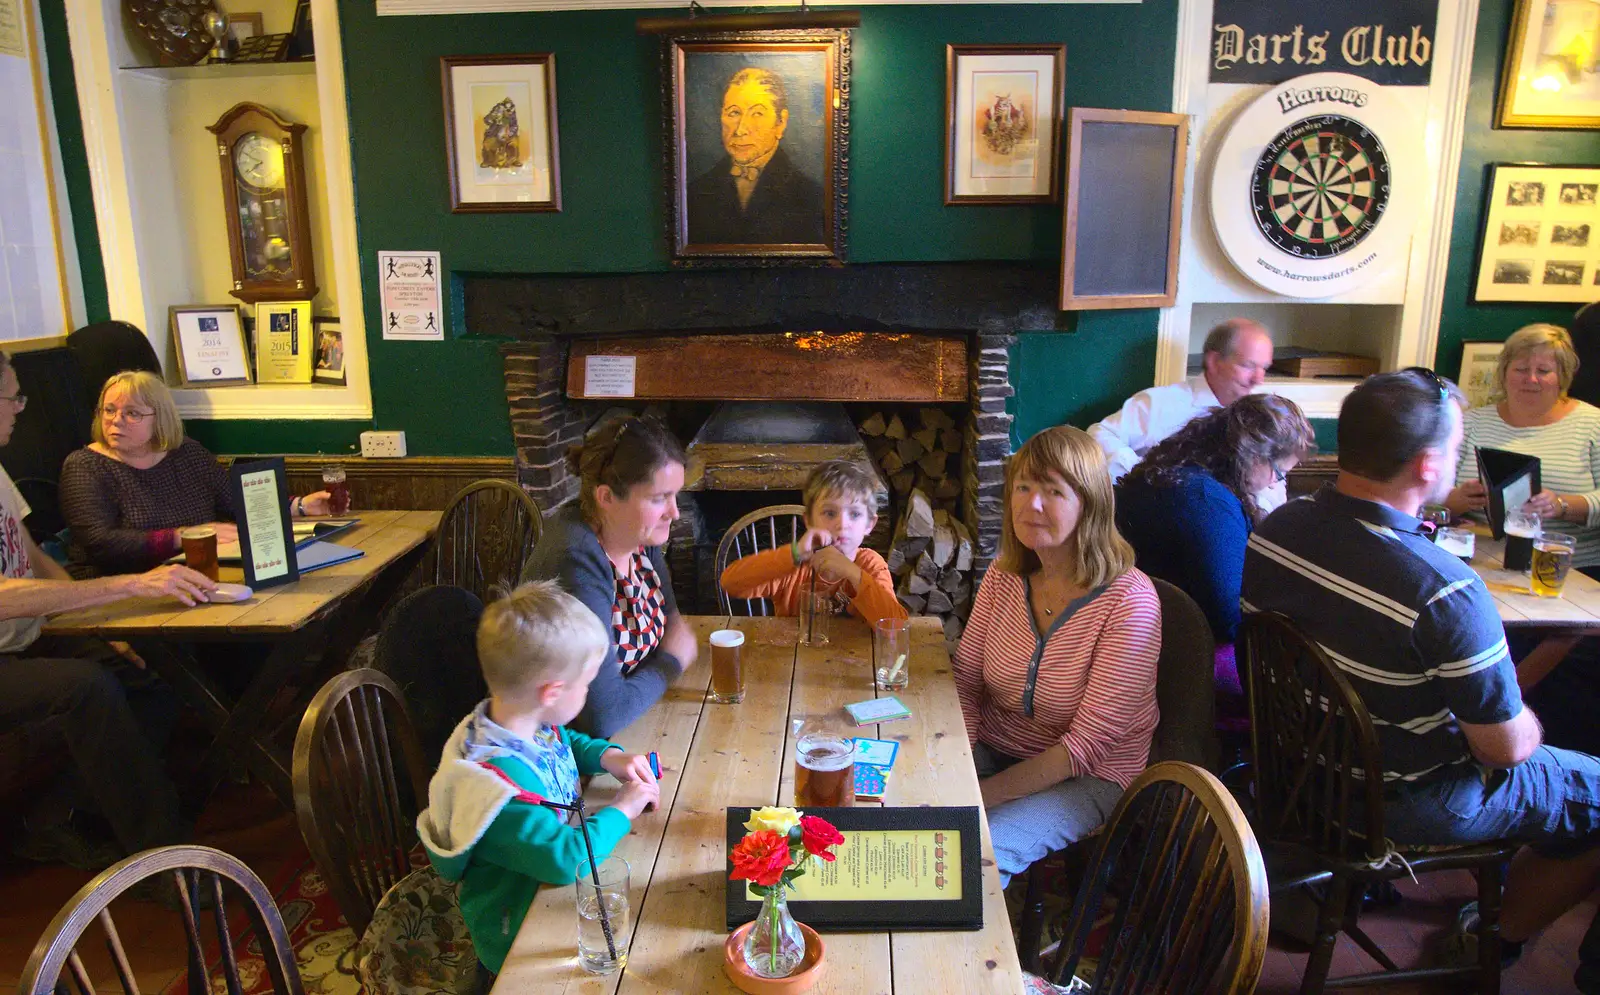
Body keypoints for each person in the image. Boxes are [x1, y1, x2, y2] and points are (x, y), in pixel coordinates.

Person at [1241, 369, 1600, 991]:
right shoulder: (1444, 590)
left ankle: (1497, 903)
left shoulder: (1278, 528)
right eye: (1457, 450)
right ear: (1429, 465)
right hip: (1401, 804)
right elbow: (1508, 749)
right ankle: (1496, 935)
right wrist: (1532, 697)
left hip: (1298, 776)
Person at [0, 350, 217, 872]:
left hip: (28, 632)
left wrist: (103, 624)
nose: (19, 410)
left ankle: (69, 817)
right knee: (85, 687)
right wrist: (127, 586)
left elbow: (29, 558)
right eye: (12, 397)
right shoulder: (86, 466)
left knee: (151, 665)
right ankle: (161, 860)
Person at [418, 581, 660, 984]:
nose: (588, 693)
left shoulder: (516, 717)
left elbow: (563, 741)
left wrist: (607, 756)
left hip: (546, 899)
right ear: (552, 692)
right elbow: (566, 859)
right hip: (514, 941)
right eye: (586, 685)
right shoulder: (496, 791)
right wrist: (623, 809)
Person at [954, 425, 1161, 886]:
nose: (1032, 504)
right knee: (901, 804)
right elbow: (967, 677)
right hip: (995, 746)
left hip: (1089, 776)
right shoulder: (1005, 576)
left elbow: (1084, 748)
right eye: (1023, 487)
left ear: (1090, 504)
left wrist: (976, 794)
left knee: (975, 859)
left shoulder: (1130, 603)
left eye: (1053, 490)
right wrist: (959, 760)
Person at [1116, 394, 1315, 726]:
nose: (1276, 483)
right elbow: (1229, 618)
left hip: (1145, 638)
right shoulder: (1206, 500)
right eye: (1279, 473)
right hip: (1179, 655)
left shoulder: (1175, 471)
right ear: (1255, 457)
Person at [521, 416, 697, 738]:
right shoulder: (576, 565)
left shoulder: (636, 536)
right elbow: (603, 715)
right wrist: (670, 663)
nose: (675, 512)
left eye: (676, 495)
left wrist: (666, 659)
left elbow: (674, 624)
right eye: (659, 498)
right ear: (606, 497)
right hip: (565, 755)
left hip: (639, 724)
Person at [60, 371, 334, 574]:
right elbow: (101, 543)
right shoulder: (85, 465)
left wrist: (299, 506)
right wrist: (184, 536)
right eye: (109, 410)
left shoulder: (186, 453)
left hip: (198, 575)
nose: (115, 420)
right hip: (121, 588)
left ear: (160, 418)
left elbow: (235, 501)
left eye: (132, 413)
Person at [1445, 322, 1600, 569]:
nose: (1531, 379)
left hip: (1571, 568)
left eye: (1543, 370)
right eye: (1521, 369)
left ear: (1563, 375)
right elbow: (1430, 498)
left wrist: (1561, 505)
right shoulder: (1469, 423)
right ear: (1504, 372)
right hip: (1480, 564)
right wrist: (1460, 498)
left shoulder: (1594, 424)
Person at [1088, 318, 1275, 482]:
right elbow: (1098, 436)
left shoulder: (1260, 418)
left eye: (1264, 368)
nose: (1258, 379)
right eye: (1248, 366)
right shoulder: (1159, 403)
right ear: (1214, 361)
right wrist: (1144, 475)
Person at [719, 459, 906, 623]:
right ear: (809, 520)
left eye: (855, 514)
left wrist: (853, 573)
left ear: (869, 524)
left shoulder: (871, 565)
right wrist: (794, 554)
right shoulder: (794, 566)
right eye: (830, 513)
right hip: (794, 658)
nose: (842, 524)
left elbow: (895, 626)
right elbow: (730, 583)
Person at [684, 67, 826, 246]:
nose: (741, 129)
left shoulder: (811, 197)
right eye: (734, 112)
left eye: (757, 113)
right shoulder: (695, 193)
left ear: (780, 122)